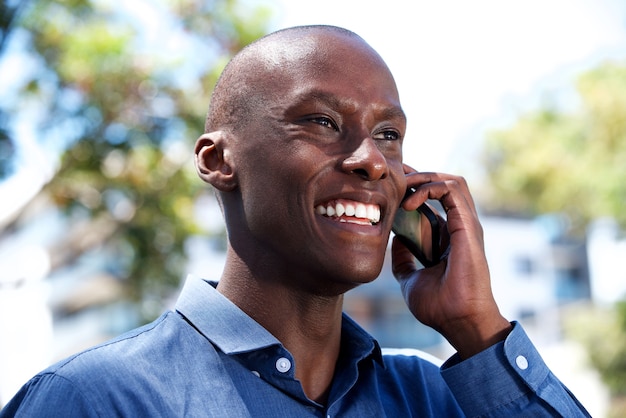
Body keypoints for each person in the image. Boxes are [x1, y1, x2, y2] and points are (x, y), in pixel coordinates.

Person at [1, 25, 590, 417]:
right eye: (322, 123)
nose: (370, 161)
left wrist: (478, 329)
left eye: (388, 135)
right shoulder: (94, 399)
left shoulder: (430, 397)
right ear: (217, 160)